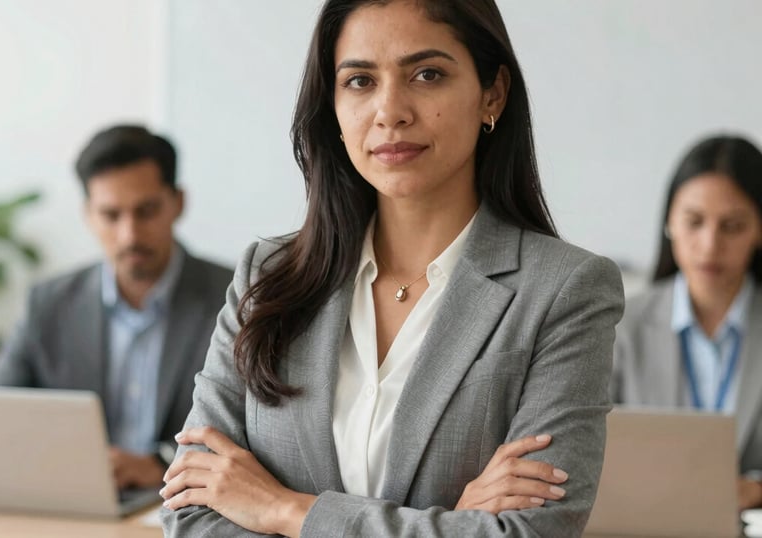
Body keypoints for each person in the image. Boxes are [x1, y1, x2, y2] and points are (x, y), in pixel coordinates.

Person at [159, 1, 624, 536]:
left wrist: (282, 510)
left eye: (427, 75)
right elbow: (189, 512)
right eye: (359, 81)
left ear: (492, 93)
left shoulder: (566, 291)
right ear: (331, 104)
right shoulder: (266, 275)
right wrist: (453, 524)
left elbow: (530, 532)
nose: (390, 110)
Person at [0, 125, 233, 490]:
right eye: (111, 215)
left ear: (178, 203)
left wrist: (162, 463)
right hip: (76, 499)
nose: (130, 235)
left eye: (146, 211)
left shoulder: (235, 298)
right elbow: (4, 416)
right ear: (88, 214)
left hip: (188, 506)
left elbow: (255, 429)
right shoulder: (48, 304)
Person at [612, 134, 762, 510]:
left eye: (733, 226)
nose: (710, 246)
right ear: (669, 222)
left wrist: (756, 490)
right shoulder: (619, 326)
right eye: (694, 222)